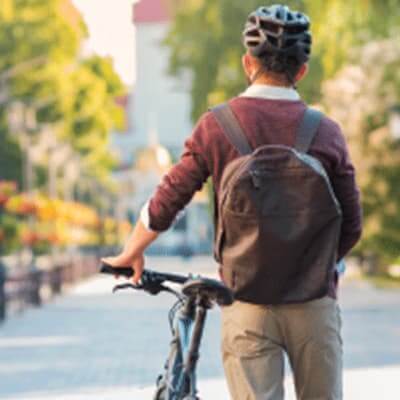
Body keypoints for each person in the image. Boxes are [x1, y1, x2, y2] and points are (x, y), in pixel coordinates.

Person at [103, 4, 362, 399]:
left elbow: (168, 198)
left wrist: (130, 252)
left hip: (245, 300)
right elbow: (353, 223)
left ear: (247, 63)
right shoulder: (325, 132)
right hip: (314, 303)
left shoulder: (218, 126)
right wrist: (316, 267)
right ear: (302, 70)